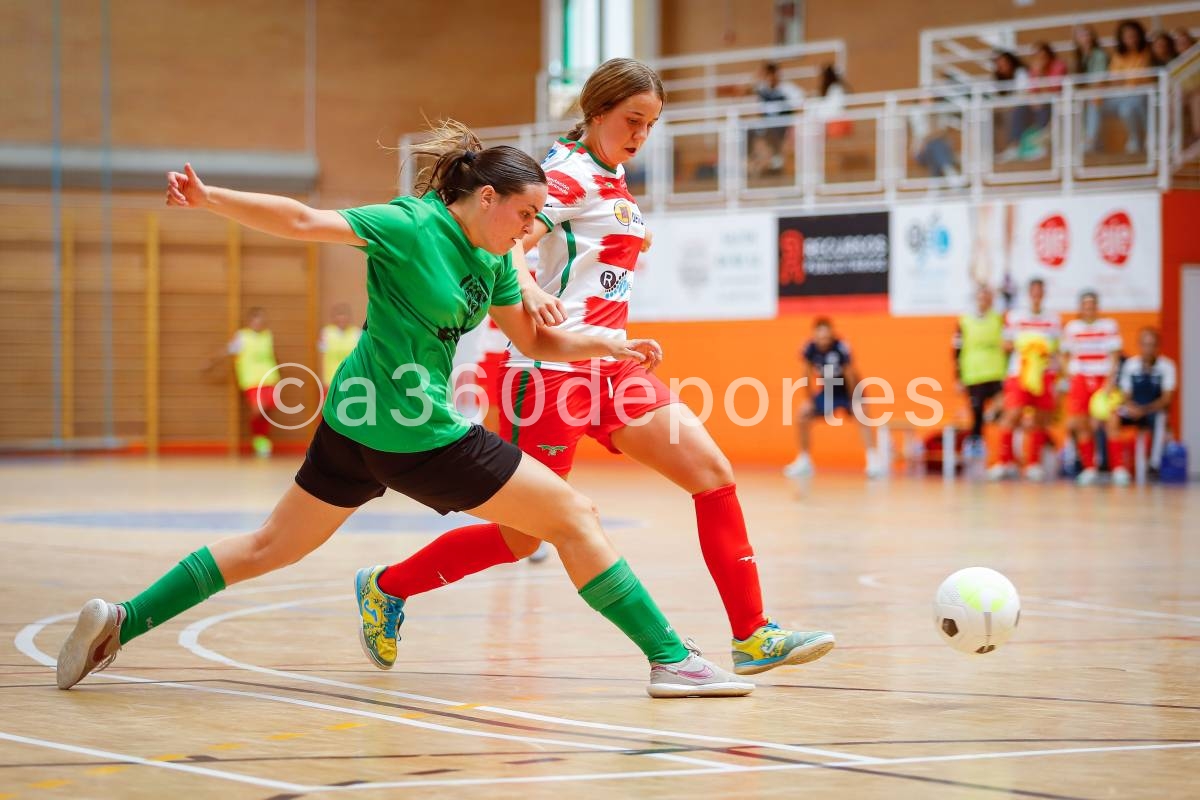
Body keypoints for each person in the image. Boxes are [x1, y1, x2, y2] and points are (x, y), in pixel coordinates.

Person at [55, 122, 752, 699]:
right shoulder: (407, 225)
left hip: (354, 423)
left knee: (271, 546)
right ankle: (670, 660)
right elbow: (302, 218)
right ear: (485, 196)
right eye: (524, 214)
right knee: (576, 517)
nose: (532, 228)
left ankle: (121, 621)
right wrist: (210, 199)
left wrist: (609, 343)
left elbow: (537, 338)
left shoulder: (496, 257)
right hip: (416, 432)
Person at [371, 59, 835, 679]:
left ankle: (753, 635)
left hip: (611, 366)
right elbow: (502, 234)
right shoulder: (567, 174)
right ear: (595, 114)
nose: (642, 133)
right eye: (632, 119)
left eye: (652, 124)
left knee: (713, 473)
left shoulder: (612, 180)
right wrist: (527, 291)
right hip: (549, 373)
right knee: (522, 537)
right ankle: (388, 587)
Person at [785, 318, 883, 480]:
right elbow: (806, 374)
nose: (823, 340)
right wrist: (809, 399)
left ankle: (873, 459)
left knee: (862, 413)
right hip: (828, 390)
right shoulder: (809, 348)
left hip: (847, 390)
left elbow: (850, 374)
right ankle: (804, 461)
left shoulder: (841, 347)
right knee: (803, 413)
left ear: (831, 334)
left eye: (826, 336)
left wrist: (854, 399)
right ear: (814, 335)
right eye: (819, 336)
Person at [988, 278, 1061, 481]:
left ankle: (1033, 464)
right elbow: (1005, 345)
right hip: (1019, 373)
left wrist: (1047, 354)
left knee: (1039, 418)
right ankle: (1004, 462)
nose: (1037, 294)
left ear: (1044, 293)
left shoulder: (1053, 319)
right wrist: (1027, 345)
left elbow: (1056, 349)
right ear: (1029, 293)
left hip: (1043, 374)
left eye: (1040, 291)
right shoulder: (1016, 316)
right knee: (1012, 415)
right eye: (1033, 291)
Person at [1061, 291, 1122, 486]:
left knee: (1111, 421)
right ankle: (1089, 468)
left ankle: (1118, 469)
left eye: (1092, 304)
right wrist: (1070, 376)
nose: (1089, 308)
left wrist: (1110, 381)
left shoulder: (1109, 326)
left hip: (1103, 379)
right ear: (1080, 308)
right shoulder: (1072, 328)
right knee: (1081, 424)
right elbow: (1064, 356)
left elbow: (1115, 356)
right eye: (1085, 305)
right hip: (1080, 379)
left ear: (1097, 306)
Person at [1106, 327, 1177, 486]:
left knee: (1161, 418)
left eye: (1152, 345)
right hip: (1133, 408)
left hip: (1153, 410)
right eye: (1145, 345)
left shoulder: (1167, 366)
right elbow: (1125, 394)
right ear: (1139, 345)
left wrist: (1144, 410)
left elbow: (1166, 399)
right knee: (1113, 416)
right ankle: (1117, 468)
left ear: (1158, 346)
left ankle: (1154, 465)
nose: (1148, 349)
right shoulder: (1131, 365)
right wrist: (1131, 407)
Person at [952, 284, 1007, 448]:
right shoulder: (965, 321)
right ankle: (975, 447)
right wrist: (958, 377)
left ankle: (1004, 452)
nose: (984, 301)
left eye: (987, 297)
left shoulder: (998, 319)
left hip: (996, 372)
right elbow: (956, 349)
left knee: (1004, 407)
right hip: (974, 373)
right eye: (981, 297)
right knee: (976, 415)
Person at [226, 306, 280, 457]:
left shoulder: (267, 336)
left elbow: (273, 355)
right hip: (251, 379)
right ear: (250, 321)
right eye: (256, 320)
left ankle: (263, 438)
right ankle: (259, 439)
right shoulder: (241, 337)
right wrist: (212, 362)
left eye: (261, 320)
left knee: (267, 410)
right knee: (258, 410)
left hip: (269, 377)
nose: (259, 323)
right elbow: (229, 351)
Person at [1107, 20, 1153, 154]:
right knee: (1125, 107)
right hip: (1125, 95)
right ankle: (1142, 137)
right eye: (1127, 36)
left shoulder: (1147, 53)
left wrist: (1129, 80)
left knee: (1128, 108)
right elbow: (1115, 80)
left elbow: (1145, 78)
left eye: (1133, 35)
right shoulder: (1118, 56)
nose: (1131, 39)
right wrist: (1132, 81)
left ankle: (1141, 138)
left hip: (1145, 93)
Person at [1072, 26, 1110, 154]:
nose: (1085, 39)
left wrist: (1086, 90)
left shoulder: (1099, 55)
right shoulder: (1078, 58)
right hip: (1084, 96)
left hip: (1102, 95)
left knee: (1093, 102)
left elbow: (1100, 81)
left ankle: (1091, 140)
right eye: (1082, 36)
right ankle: (1084, 141)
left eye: (1088, 35)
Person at [318, 303, 362, 388]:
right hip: (330, 380)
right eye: (339, 315)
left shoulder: (357, 333)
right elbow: (320, 357)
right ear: (333, 318)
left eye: (344, 315)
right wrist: (320, 378)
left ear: (349, 317)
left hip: (351, 379)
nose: (342, 319)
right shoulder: (326, 333)